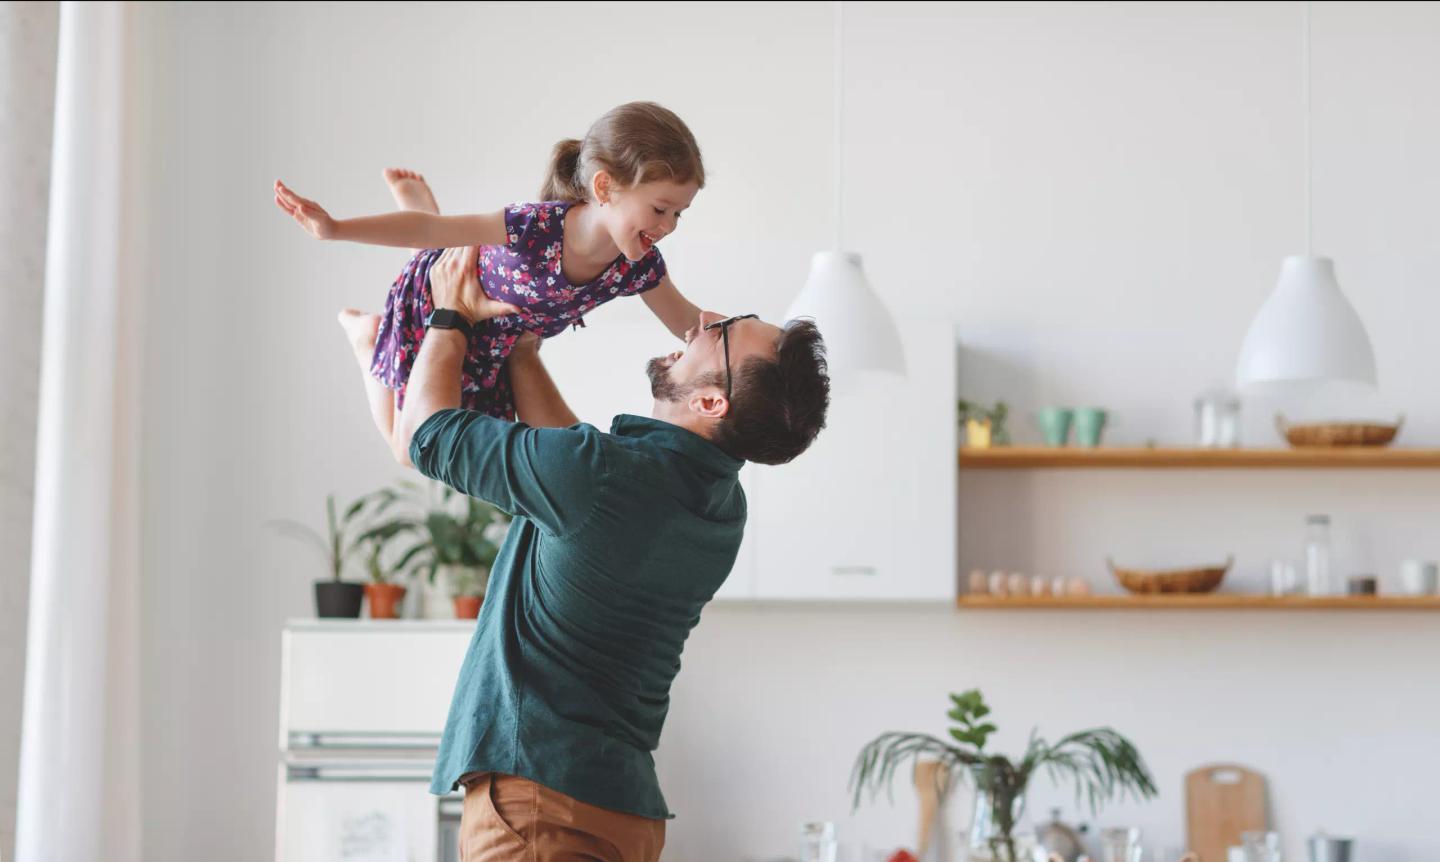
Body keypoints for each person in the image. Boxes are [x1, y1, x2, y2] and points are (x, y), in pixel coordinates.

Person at [390, 241, 830, 861]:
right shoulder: (720, 507)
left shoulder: (599, 476)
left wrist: (449, 314)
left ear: (711, 402)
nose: (704, 321)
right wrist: (521, 353)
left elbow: (423, 435)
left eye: (724, 332)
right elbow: (574, 472)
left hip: (540, 807)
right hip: (621, 813)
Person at [273, 101, 708, 462]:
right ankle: (367, 337)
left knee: (435, 449)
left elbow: (690, 322)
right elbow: (426, 230)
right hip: (436, 305)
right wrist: (335, 228)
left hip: (493, 344)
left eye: (678, 213)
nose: (669, 225)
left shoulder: (638, 267)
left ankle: (427, 236)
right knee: (408, 452)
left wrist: (768, 338)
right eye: (660, 209)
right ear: (604, 187)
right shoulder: (535, 227)